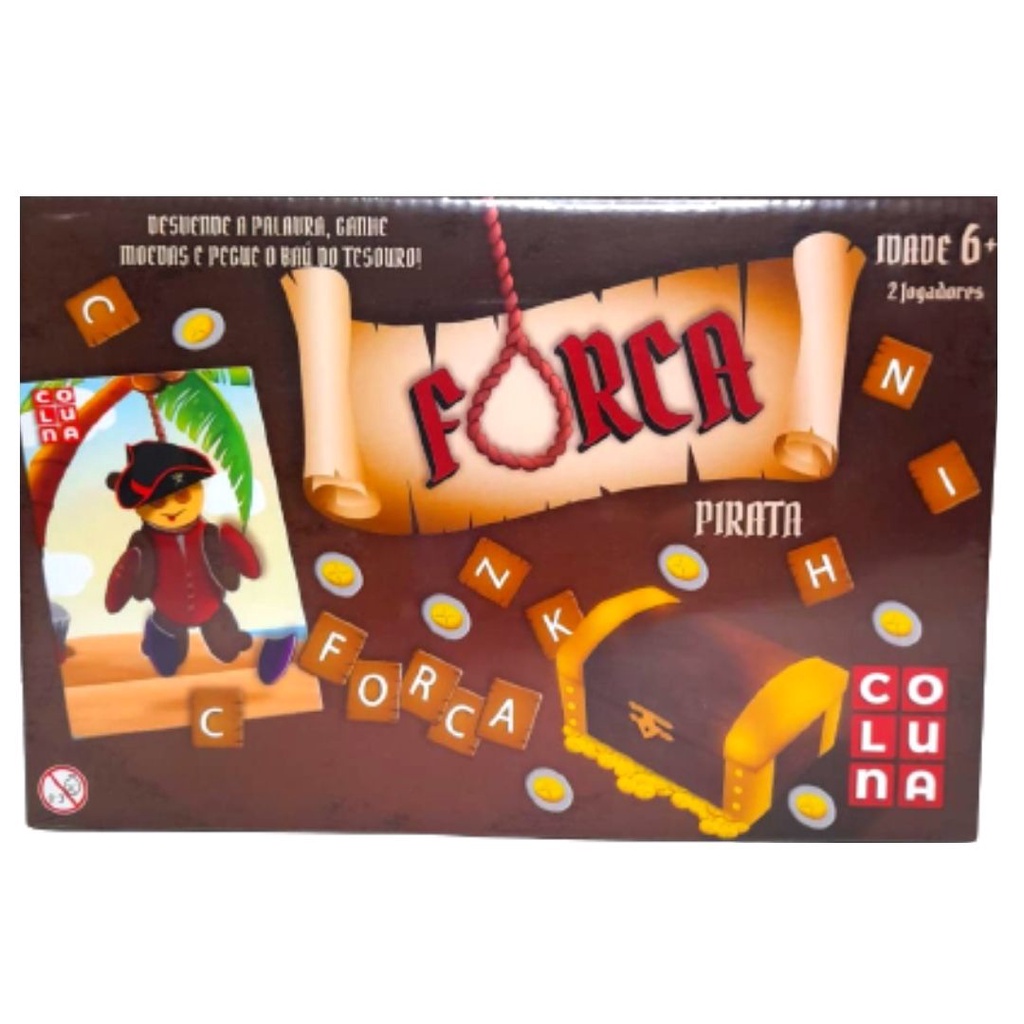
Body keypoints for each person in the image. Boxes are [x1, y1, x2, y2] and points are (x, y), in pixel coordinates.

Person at [104, 439, 295, 683]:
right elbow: (125, 576)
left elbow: (247, 565)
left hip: (212, 608)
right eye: (157, 502)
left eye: (182, 495)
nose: (171, 508)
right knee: (168, 665)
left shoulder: (210, 535)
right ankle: (155, 635)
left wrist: (237, 546)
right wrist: (118, 592)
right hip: (168, 614)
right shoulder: (143, 545)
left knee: (228, 652)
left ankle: (229, 640)